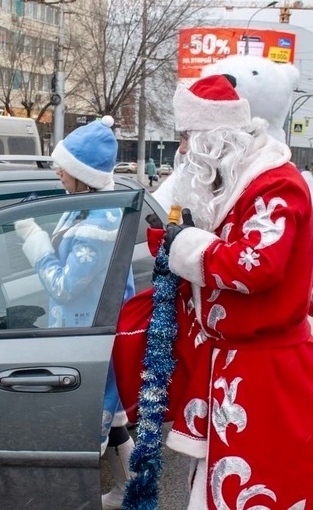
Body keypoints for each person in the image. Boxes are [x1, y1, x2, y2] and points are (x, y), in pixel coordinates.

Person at [147, 74, 312, 508]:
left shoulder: (276, 184)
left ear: (213, 140)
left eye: (186, 137)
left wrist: (185, 245)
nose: (182, 150)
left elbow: (257, 266)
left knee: (263, 482)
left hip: (267, 374)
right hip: (235, 365)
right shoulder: (237, 185)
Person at [15, 116, 135, 510]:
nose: (56, 171)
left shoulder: (97, 224)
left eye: (62, 165)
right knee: (112, 424)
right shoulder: (86, 207)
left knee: (83, 438)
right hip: (89, 337)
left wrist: (31, 237)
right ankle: (130, 492)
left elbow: (64, 287)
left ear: (82, 174)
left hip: (90, 343)